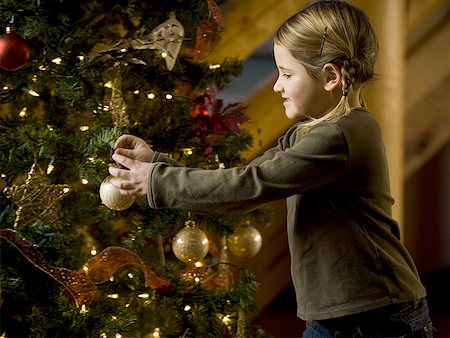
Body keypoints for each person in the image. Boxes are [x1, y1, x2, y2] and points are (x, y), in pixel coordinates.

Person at [108, 1, 433, 336]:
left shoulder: (338, 136)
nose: (277, 85)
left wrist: (156, 180)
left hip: (375, 318)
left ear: (330, 76)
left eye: (288, 74)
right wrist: (157, 164)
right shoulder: (311, 132)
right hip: (342, 316)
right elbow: (241, 181)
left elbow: (249, 186)